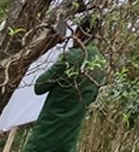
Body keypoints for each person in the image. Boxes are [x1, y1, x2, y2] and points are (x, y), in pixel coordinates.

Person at [22, 17, 106, 152]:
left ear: (79, 33)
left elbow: (39, 86)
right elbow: (92, 98)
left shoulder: (72, 57)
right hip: (68, 141)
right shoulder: (101, 65)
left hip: (45, 137)